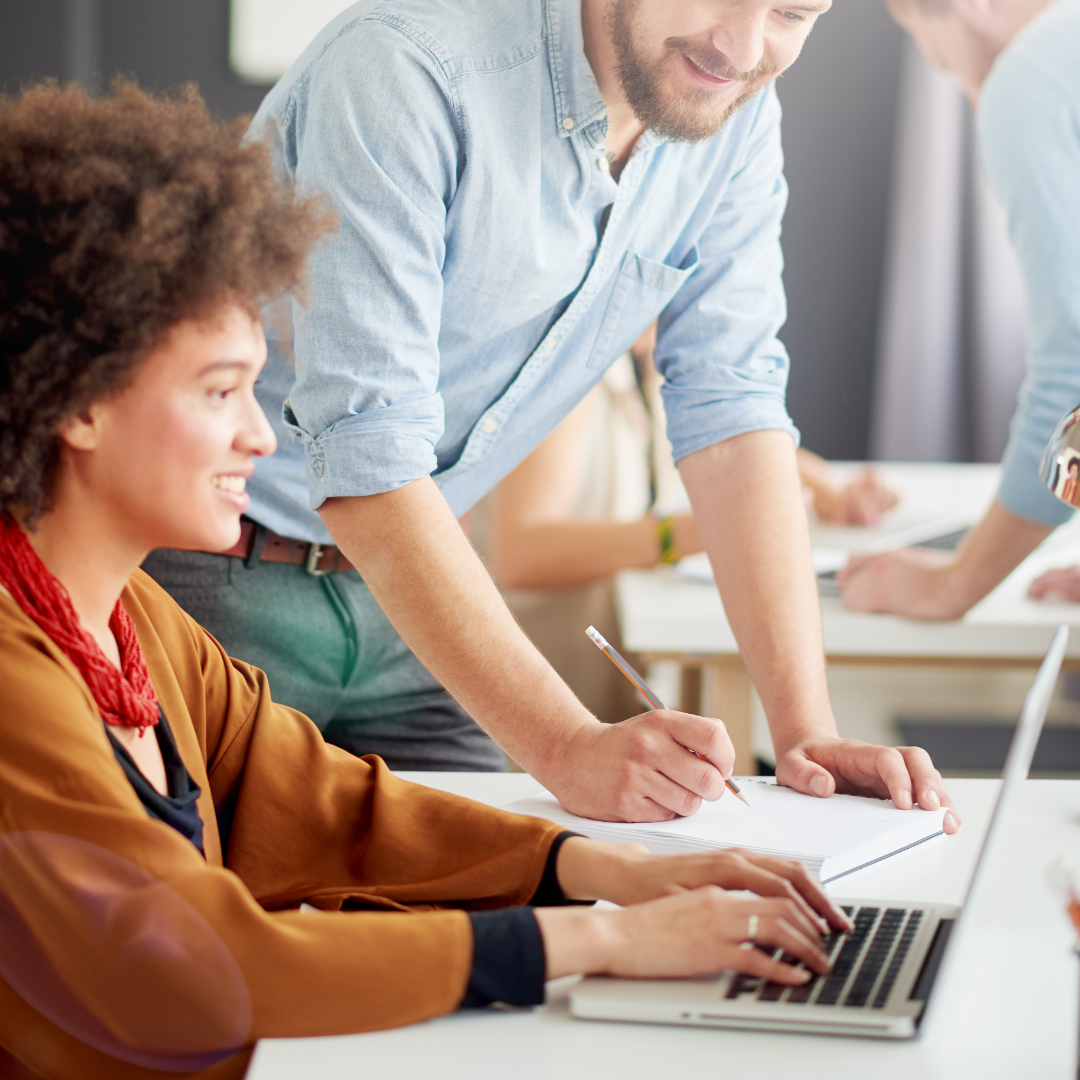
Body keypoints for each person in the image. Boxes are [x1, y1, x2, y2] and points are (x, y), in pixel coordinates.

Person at [0, 80, 853, 1080]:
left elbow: (323, 804)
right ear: (77, 402)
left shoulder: (130, 615)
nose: (262, 435)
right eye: (220, 391)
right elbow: (198, 964)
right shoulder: (18, 680)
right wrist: (602, 941)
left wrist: (605, 874)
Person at [143, 0, 957, 826]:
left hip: (415, 594)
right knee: (192, 929)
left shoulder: (726, 102)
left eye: (791, 11)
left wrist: (807, 736)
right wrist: (568, 744)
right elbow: (367, 454)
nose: (743, 47)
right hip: (210, 574)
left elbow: (733, 401)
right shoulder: (403, 67)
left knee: (487, 912)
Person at [839, 0, 1080, 616]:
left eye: (935, 50)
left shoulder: (1027, 81)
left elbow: (1073, 377)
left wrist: (956, 581)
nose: (970, 93)